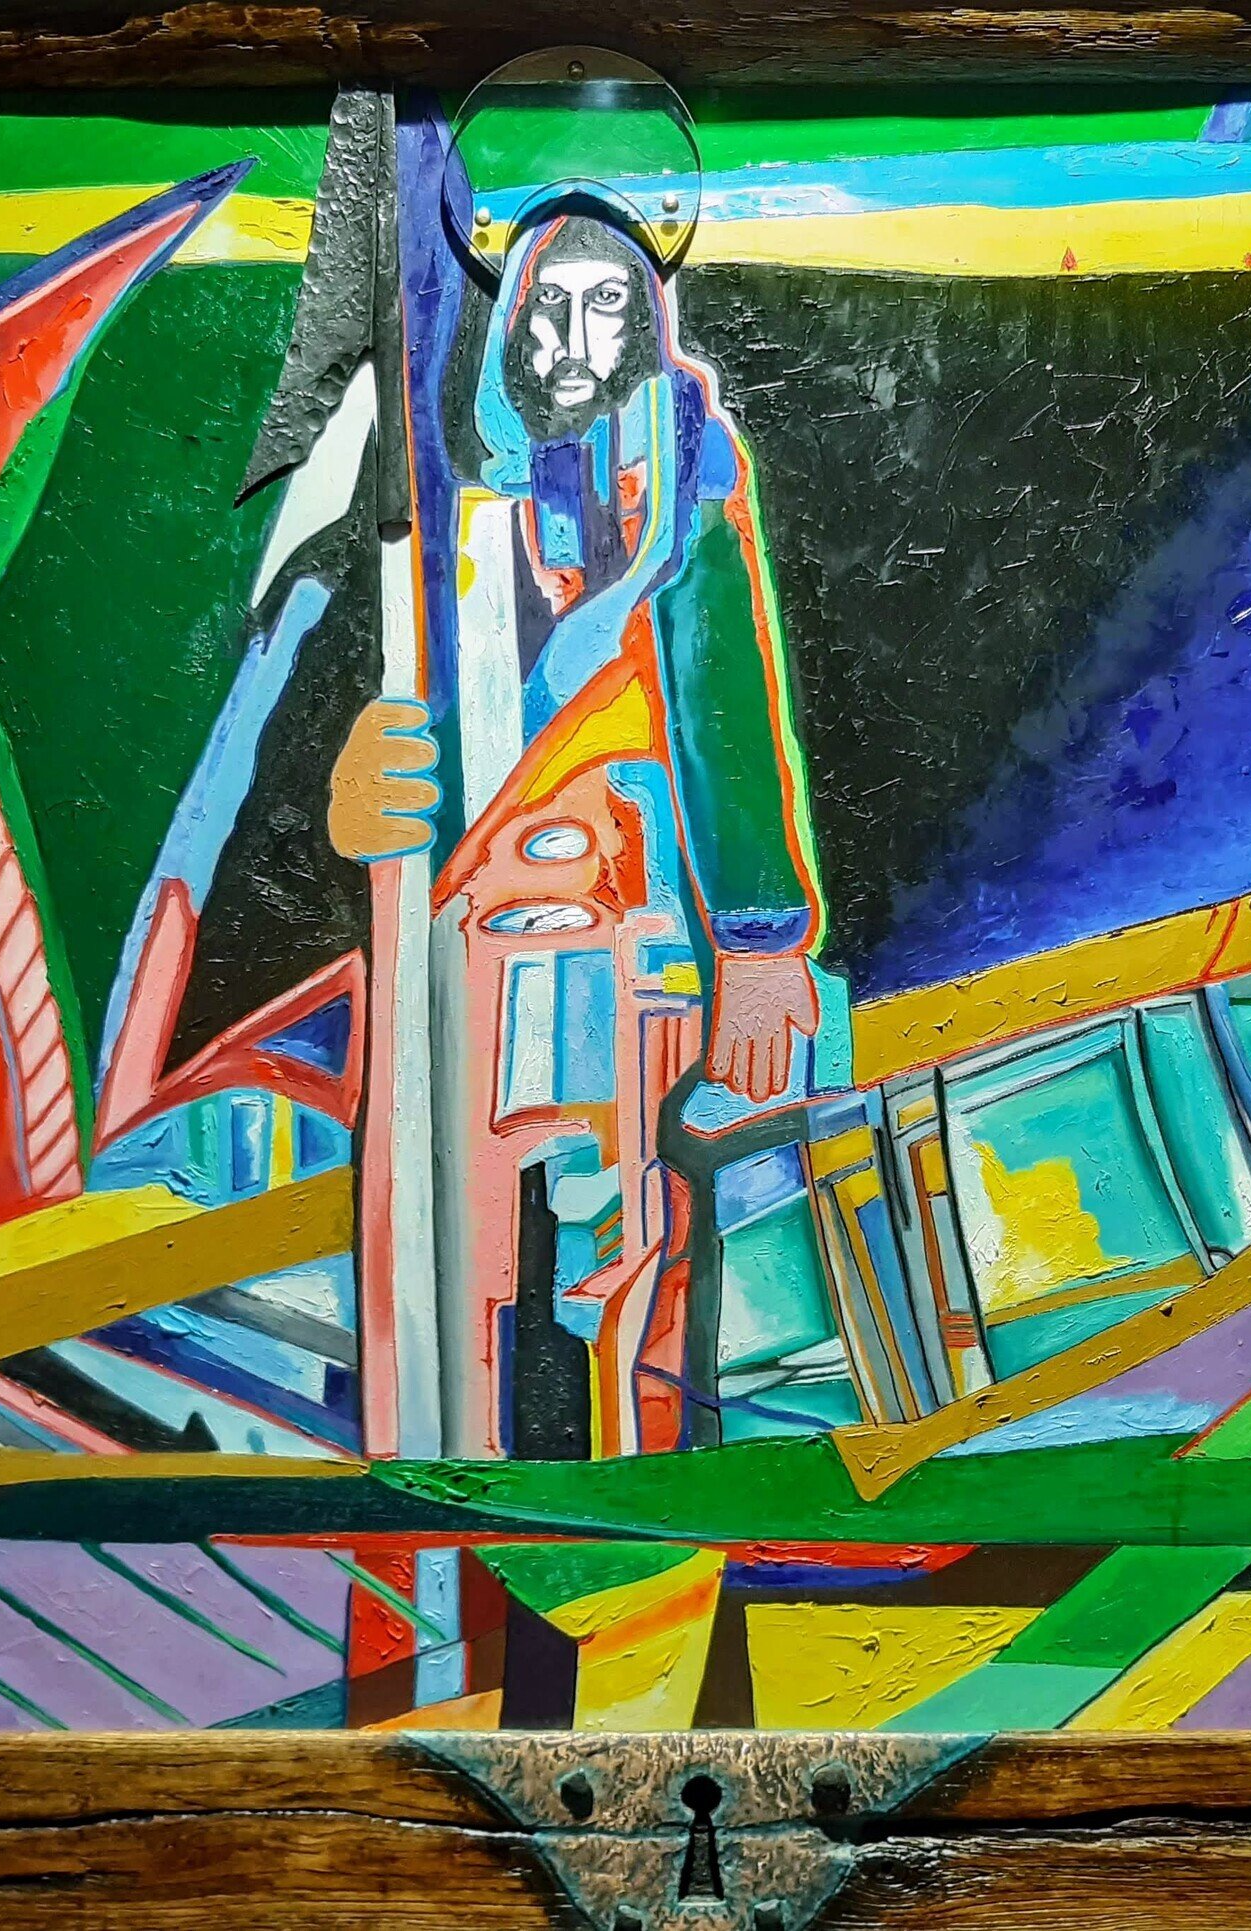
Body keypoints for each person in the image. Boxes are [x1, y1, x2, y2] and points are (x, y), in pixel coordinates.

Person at [326, 208, 835, 1454]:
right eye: (550, 305)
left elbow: (724, 708)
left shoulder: (688, 488)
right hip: (466, 943)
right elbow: (384, 704)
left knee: (633, 1241)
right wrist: (359, 790)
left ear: (646, 323)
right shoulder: (454, 504)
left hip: (631, 935)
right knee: (465, 1251)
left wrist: (761, 942)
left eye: (607, 306)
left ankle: (639, 1489)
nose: (571, 339)